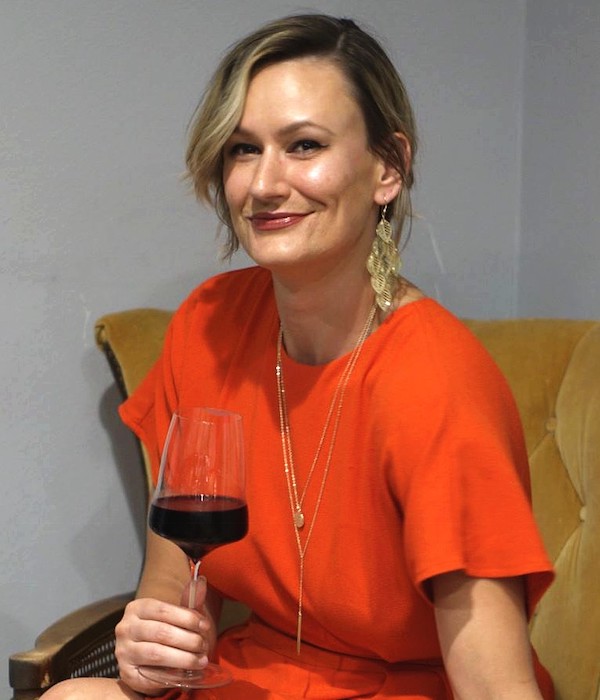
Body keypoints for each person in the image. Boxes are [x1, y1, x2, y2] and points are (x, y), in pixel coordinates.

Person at [46, 13, 555, 700]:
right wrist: (150, 653)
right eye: (243, 149)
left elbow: (496, 689)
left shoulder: (435, 379)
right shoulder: (209, 325)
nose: (263, 184)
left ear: (389, 168)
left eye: (304, 145)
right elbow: (176, 603)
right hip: (251, 679)